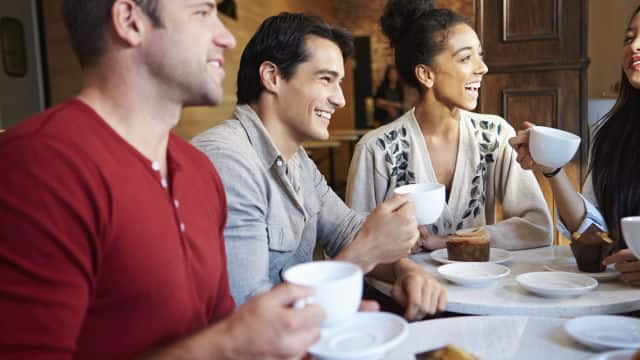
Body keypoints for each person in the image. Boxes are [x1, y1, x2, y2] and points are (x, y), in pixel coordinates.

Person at [0, 1, 336, 359]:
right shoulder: (41, 166)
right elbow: (226, 341)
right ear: (130, 21)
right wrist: (229, 344)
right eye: (202, 12)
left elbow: (222, 328)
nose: (226, 38)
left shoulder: (199, 171)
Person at [192, 12, 446, 320]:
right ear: (272, 77)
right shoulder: (229, 161)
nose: (339, 99)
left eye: (339, 82)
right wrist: (369, 250)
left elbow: (346, 230)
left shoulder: (297, 160)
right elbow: (248, 317)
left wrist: (404, 271)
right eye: (325, 79)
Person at [346, 0, 552, 251]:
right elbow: (354, 244)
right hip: (404, 288)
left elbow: (538, 228)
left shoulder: (495, 135)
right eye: (465, 58)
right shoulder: (376, 149)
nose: (482, 68)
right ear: (426, 75)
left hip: (482, 287)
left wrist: (449, 242)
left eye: (480, 56)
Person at [509, 5, 640, 286]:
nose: (634, 47)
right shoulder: (609, 133)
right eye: (629, 38)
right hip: (618, 302)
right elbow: (596, 232)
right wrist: (552, 169)